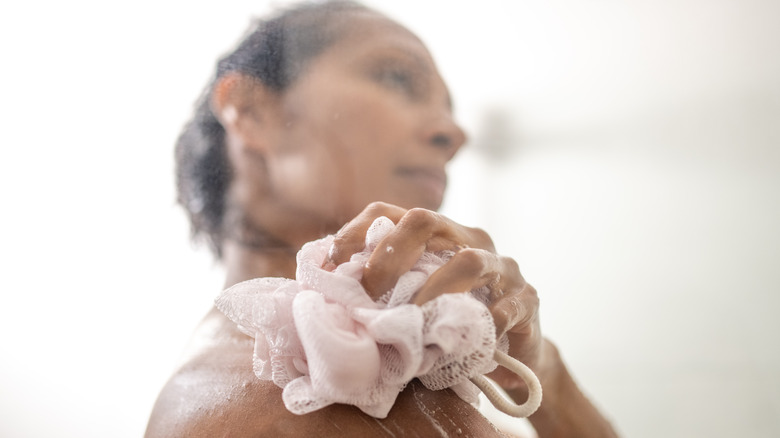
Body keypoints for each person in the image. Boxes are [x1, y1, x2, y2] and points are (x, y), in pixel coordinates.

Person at [145, 1, 619, 436]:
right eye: (397, 78)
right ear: (250, 111)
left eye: (448, 108)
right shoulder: (238, 411)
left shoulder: (413, 365)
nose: (453, 134)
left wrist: (542, 375)